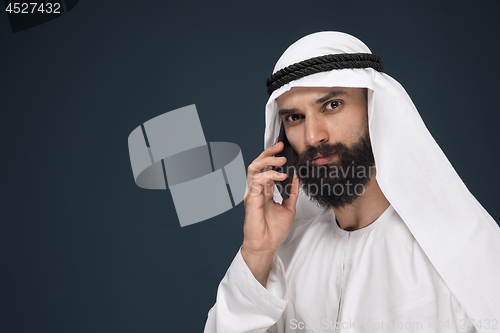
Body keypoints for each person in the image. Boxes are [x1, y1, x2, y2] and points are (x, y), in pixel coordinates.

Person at [203, 32, 500, 333]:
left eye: (332, 105)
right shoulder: (282, 259)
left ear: (374, 108)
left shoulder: (457, 256)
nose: (312, 136)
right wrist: (257, 252)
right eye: (294, 117)